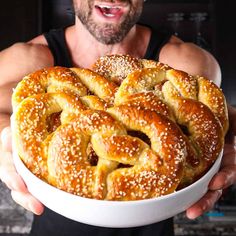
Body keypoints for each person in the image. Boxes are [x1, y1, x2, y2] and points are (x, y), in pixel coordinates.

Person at [0, 0, 235, 235]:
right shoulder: (25, 60)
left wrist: (228, 136)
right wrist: (4, 140)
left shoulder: (188, 62)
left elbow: (211, 126)